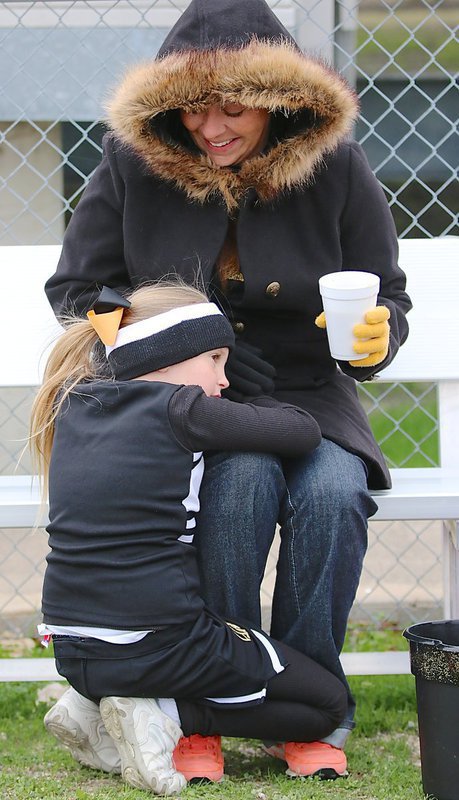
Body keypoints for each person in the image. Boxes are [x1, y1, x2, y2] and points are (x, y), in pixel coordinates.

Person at [43, 0, 412, 781]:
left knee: (332, 494)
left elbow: (387, 292)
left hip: (309, 389)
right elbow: (80, 293)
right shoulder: (131, 162)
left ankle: (312, 713)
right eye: (192, 109)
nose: (210, 128)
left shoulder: (335, 164)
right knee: (238, 485)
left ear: (279, 104)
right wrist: (175, 350)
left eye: (234, 108)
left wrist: (376, 336)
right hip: (186, 402)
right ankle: (203, 703)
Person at [32, 281, 347, 795]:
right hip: (163, 644)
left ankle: (91, 705)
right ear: (165, 358)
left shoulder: (73, 405)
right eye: (216, 359)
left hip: (73, 649)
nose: (223, 380)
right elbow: (300, 431)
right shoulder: (183, 408)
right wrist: (262, 400)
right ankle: (161, 713)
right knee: (324, 705)